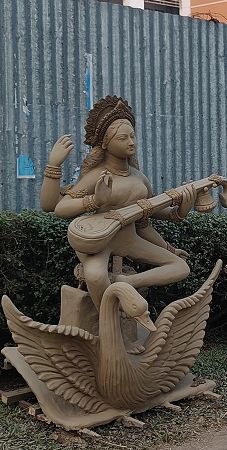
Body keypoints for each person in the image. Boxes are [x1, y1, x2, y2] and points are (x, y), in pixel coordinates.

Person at [40, 95, 196, 311]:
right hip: (99, 243)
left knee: (180, 267)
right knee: (95, 277)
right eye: (123, 138)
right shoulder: (96, 176)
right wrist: (94, 200)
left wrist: (182, 210)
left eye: (132, 136)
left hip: (130, 239)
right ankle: (107, 323)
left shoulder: (139, 178)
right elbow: (60, 208)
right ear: (105, 142)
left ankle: (127, 282)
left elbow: (149, 216)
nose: (131, 142)